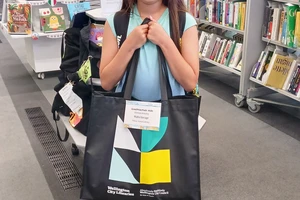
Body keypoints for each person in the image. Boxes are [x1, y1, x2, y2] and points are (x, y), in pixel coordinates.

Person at [100, 0, 199, 101]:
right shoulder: (116, 21)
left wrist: (165, 42)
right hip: (127, 110)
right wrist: (129, 46)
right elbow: (107, 83)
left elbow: (190, 83)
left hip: (171, 110)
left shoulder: (184, 21)